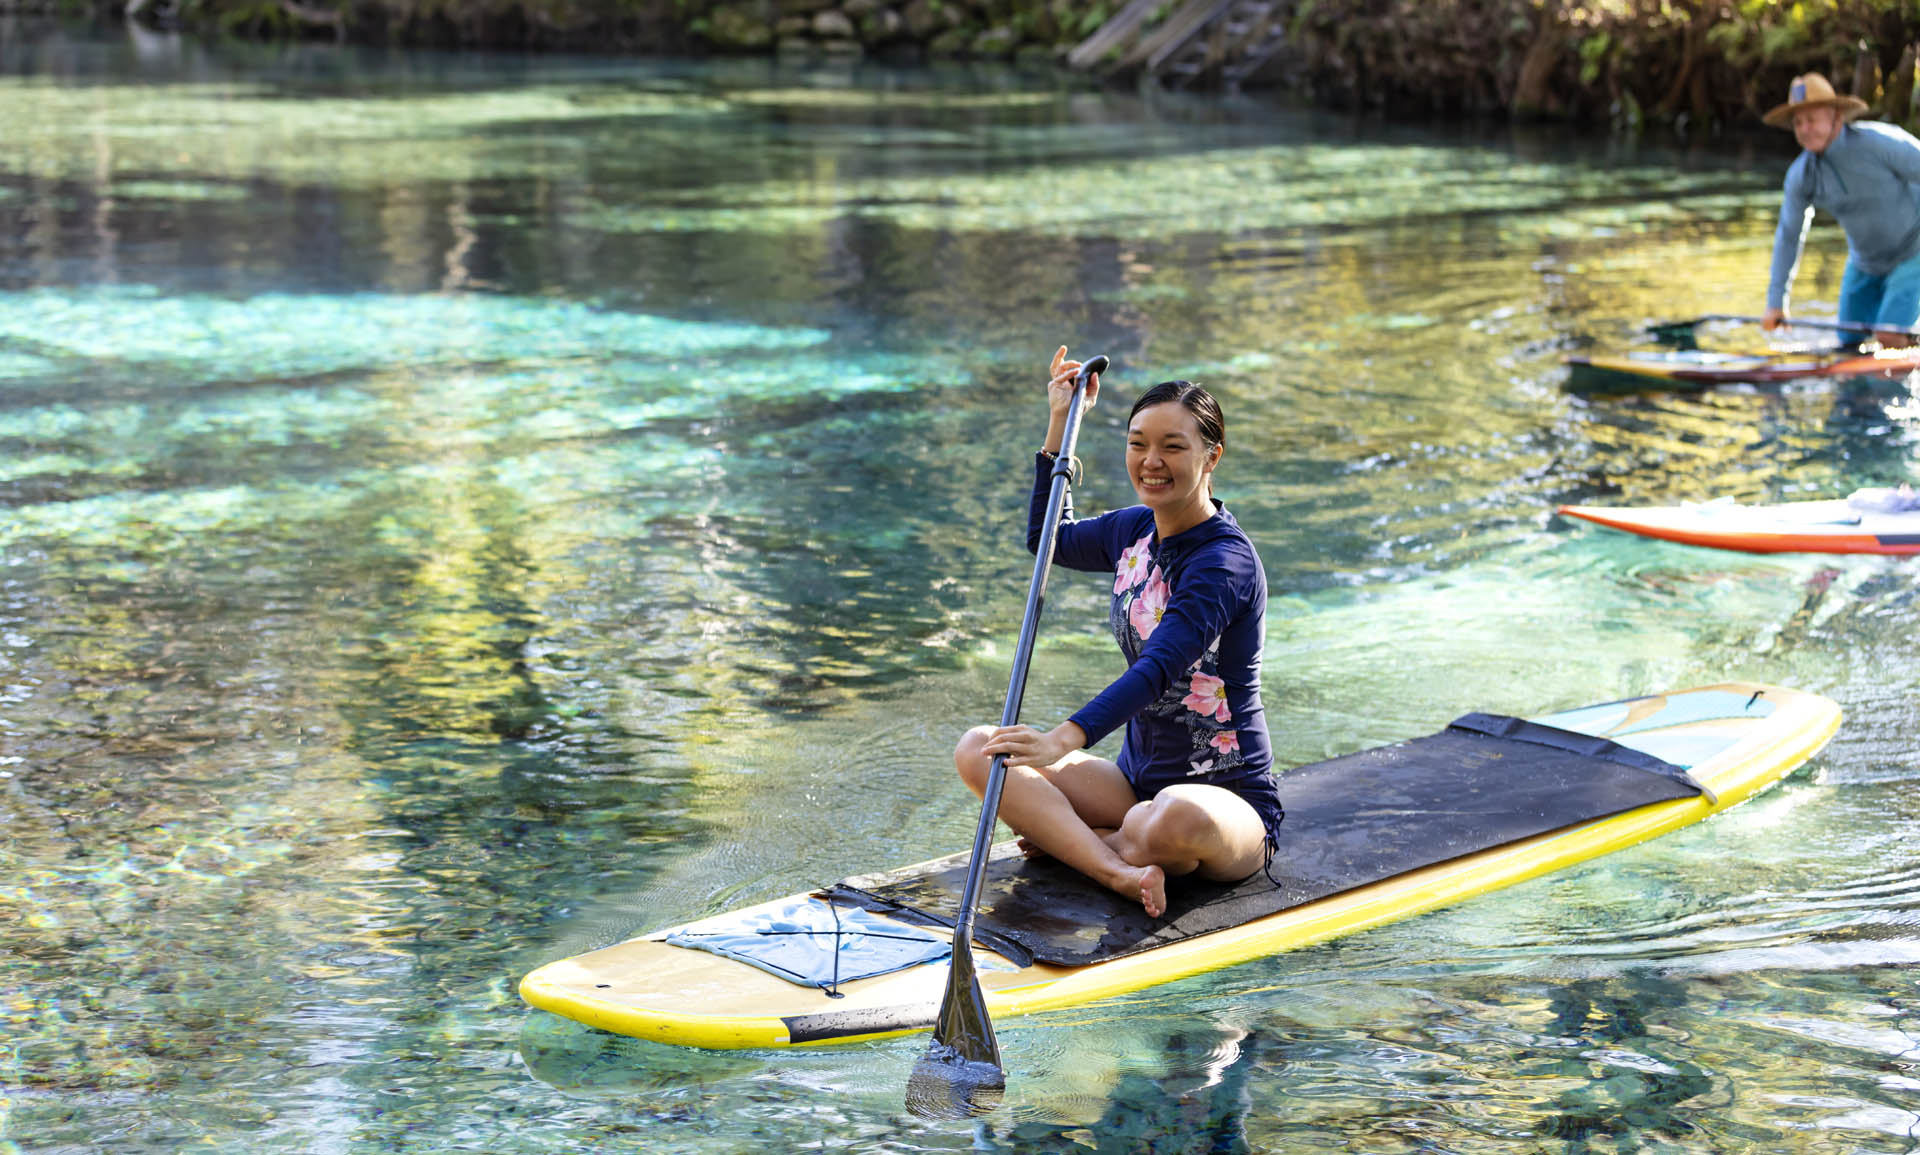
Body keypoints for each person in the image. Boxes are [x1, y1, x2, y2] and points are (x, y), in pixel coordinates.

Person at [952, 347, 1284, 919]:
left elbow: (1157, 669)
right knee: (981, 748)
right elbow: (1047, 538)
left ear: (1211, 457)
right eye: (1138, 444)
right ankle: (1116, 867)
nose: (1151, 461)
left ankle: (1083, 844)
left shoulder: (1224, 563)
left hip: (1225, 803)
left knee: (1172, 817)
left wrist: (1063, 739)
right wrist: (1060, 421)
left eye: (1173, 446)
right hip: (1133, 783)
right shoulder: (1133, 530)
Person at [1760, 73, 1920, 348]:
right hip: (1865, 262)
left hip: (1914, 250)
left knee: (1889, 334)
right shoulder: (1802, 175)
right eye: (1798, 123)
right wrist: (1776, 302)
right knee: (1847, 340)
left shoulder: (1880, 143)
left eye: (1812, 119)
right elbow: (1789, 235)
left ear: (1835, 116)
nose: (1805, 129)